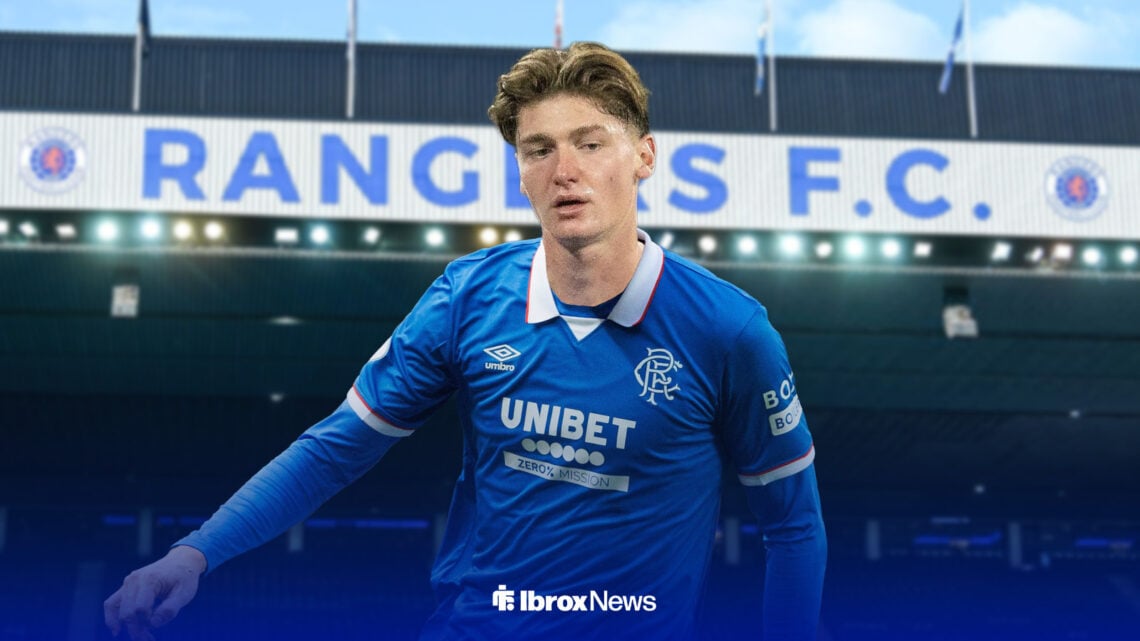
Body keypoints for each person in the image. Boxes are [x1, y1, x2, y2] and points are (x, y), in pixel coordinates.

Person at [104, 41, 826, 640]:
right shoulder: (467, 297)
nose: (565, 172)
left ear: (644, 156)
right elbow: (335, 448)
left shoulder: (729, 331)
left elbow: (793, 528)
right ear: (520, 172)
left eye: (590, 143)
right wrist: (193, 554)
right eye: (538, 150)